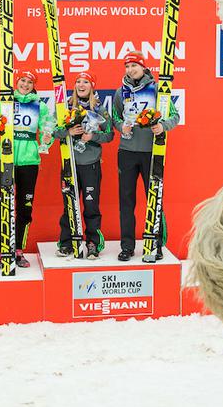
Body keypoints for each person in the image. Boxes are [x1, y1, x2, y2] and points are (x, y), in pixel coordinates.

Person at [110, 52, 180, 261]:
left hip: (151, 151)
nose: (130, 70)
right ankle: (127, 246)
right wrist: (122, 127)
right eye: (127, 66)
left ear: (143, 67)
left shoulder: (158, 89)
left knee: (154, 198)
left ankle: (155, 244)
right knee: (126, 201)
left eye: (134, 65)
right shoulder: (120, 91)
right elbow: (115, 117)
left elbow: (175, 115)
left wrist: (163, 126)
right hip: (127, 152)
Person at [0, 69, 53, 270]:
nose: (25, 85)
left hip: (29, 161)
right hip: (5, 158)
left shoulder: (39, 105)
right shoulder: (4, 101)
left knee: (24, 207)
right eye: (22, 80)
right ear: (17, 82)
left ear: (34, 86)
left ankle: (18, 250)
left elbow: (47, 127)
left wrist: (47, 139)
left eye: (29, 82)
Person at [52, 72, 113, 259]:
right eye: (78, 81)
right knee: (69, 203)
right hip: (70, 163)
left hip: (90, 164)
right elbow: (54, 132)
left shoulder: (101, 110)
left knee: (90, 204)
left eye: (85, 81)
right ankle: (67, 242)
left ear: (92, 86)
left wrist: (92, 136)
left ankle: (93, 243)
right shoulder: (65, 107)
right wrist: (68, 131)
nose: (81, 84)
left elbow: (109, 135)